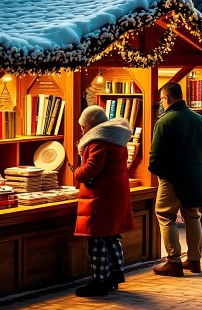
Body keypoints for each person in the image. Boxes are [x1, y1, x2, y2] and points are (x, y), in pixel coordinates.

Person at [150, 82, 202, 277]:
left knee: (165, 215)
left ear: (167, 98)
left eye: (162, 99)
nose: (162, 103)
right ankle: (194, 261)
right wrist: (195, 165)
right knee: (193, 216)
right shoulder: (199, 119)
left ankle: (174, 261)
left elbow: (155, 157)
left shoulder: (164, 121)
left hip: (171, 178)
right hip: (195, 177)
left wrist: (160, 173)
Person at [72, 106, 133, 297]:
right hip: (115, 192)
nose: (82, 131)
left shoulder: (99, 141)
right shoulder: (116, 138)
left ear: (91, 125)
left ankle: (99, 281)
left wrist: (76, 172)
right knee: (111, 236)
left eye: (83, 127)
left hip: (101, 195)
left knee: (97, 238)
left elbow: (91, 168)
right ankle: (115, 274)